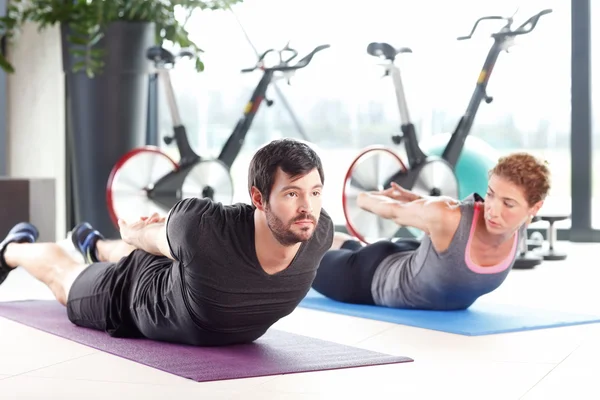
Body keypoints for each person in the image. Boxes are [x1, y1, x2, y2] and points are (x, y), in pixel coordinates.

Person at [0, 138, 334, 346]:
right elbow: (141, 237)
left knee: (171, 251)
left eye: (315, 193)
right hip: (137, 295)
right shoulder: (207, 229)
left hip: (191, 270)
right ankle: (12, 249)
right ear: (259, 198)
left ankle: (95, 245)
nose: (307, 207)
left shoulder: (319, 232)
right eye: (292, 193)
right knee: (64, 280)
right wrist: (136, 231)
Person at [312, 152, 551, 311]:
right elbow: (392, 211)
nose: (493, 210)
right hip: (371, 277)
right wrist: (363, 196)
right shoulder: (449, 218)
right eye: (490, 195)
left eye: (508, 204)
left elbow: (442, 210)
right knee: (301, 259)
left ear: (534, 208)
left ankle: (346, 245)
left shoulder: (520, 224)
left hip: (417, 257)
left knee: (351, 248)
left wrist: (418, 200)